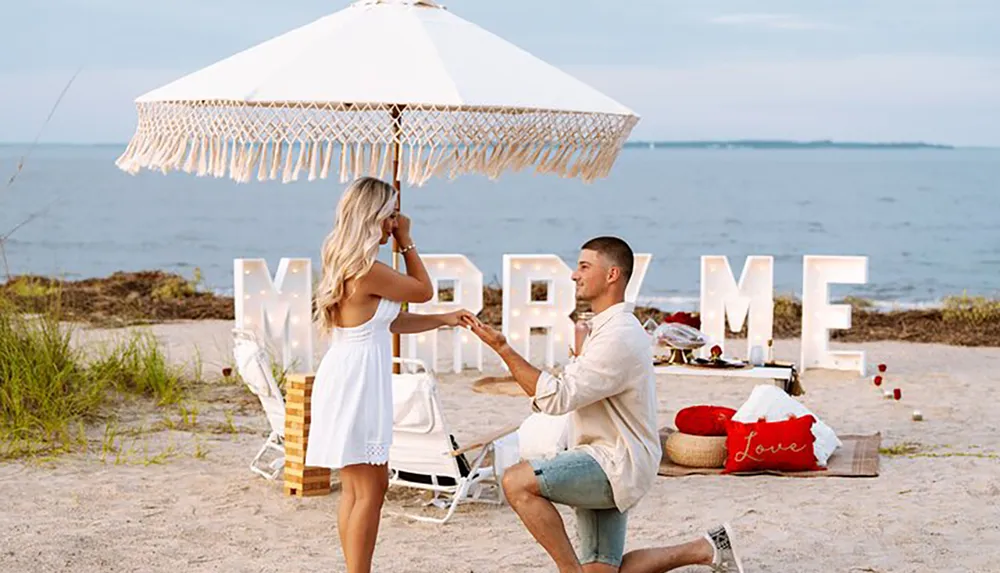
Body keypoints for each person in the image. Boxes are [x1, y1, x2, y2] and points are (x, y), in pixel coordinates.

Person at [463, 236, 745, 573]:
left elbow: (556, 398)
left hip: (614, 462)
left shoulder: (619, 336)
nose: (573, 274)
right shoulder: (606, 329)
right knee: (600, 571)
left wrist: (504, 349)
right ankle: (706, 548)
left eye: (584, 266)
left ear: (612, 275)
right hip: (604, 454)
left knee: (516, 481)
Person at [306, 176, 477, 573]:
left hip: (353, 373)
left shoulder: (347, 262)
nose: (394, 222)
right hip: (357, 381)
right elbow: (422, 290)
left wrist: (444, 320)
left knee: (357, 487)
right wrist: (408, 241)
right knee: (370, 488)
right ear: (374, 216)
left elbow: (390, 322)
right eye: (390, 215)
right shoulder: (367, 269)